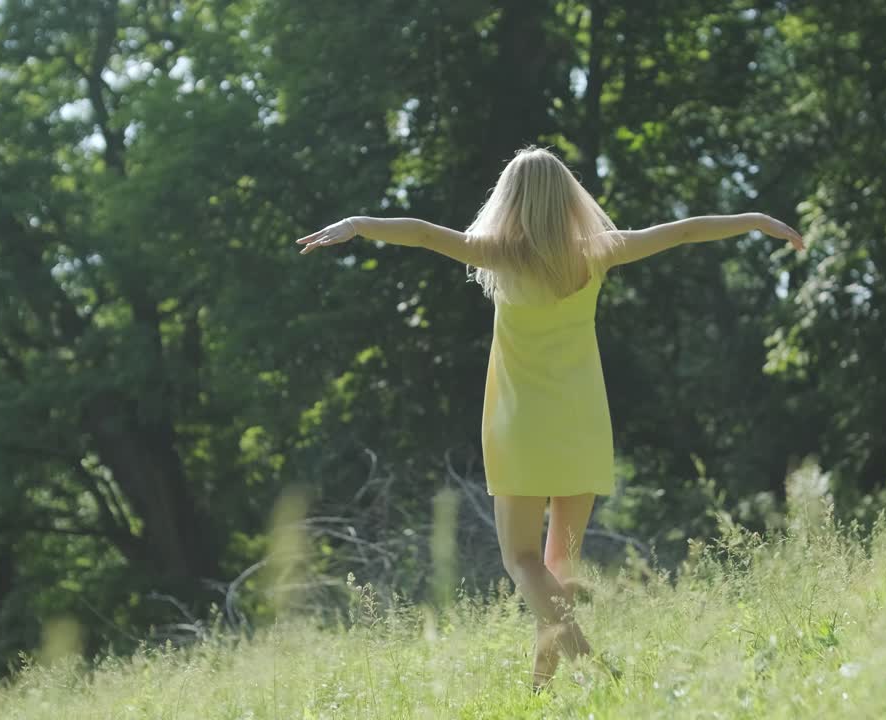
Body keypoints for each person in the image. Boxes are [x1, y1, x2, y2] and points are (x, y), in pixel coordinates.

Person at [296, 146, 804, 691]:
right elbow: (683, 231)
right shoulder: (598, 252)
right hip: (582, 425)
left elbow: (420, 233)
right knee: (557, 572)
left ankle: (596, 675)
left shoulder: (495, 253)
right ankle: (540, 693)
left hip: (522, 429)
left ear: (509, 199)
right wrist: (755, 219)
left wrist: (357, 224)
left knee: (522, 562)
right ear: (567, 199)